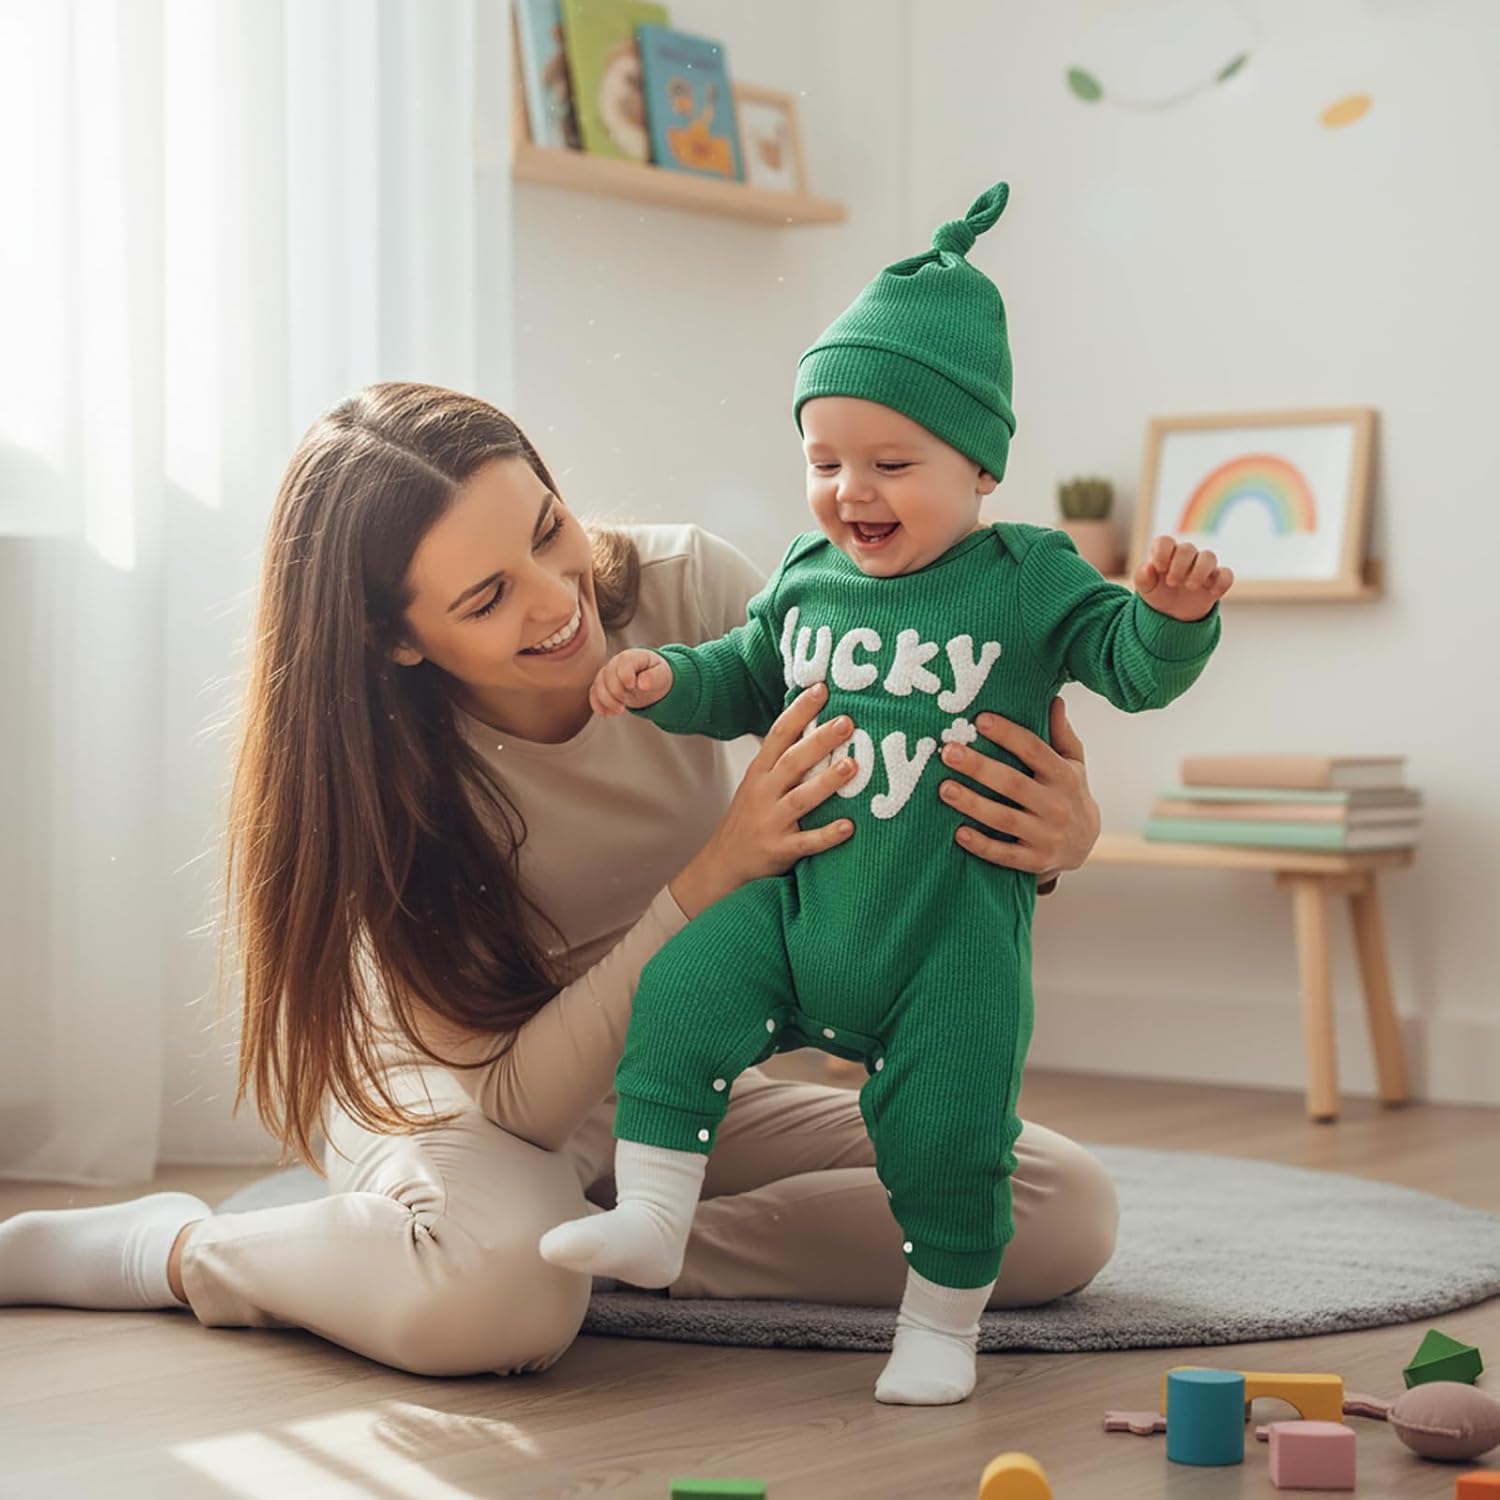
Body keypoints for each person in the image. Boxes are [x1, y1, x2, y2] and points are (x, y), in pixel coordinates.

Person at [0, 380, 1118, 1379]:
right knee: (496, 1307)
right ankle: (178, 1249)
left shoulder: (692, 593)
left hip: (668, 1077)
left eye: (550, 530)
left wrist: (1058, 833)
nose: (555, 600)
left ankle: (625, 1255)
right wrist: (710, 878)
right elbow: (520, 1103)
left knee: (1054, 1210)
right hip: (458, 1098)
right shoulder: (385, 776)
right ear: (395, 640)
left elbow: (910, 782)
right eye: (485, 599)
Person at [538, 184, 1232, 1405]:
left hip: (948, 933)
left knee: (951, 1134)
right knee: (684, 990)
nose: (850, 490)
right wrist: (663, 680)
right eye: (824, 461)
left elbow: (1128, 665)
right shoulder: (806, 575)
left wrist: (1173, 622)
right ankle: (652, 1215)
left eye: (890, 463)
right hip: (802, 905)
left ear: (979, 467)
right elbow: (745, 673)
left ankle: (941, 1329)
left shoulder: (1028, 577)